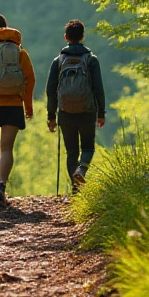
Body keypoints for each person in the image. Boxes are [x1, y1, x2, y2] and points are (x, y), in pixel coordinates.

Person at [0, 13, 35, 209]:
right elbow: (30, 79)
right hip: (13, 105)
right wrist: (28, 106)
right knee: (6, 148)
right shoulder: (20, 53)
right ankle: (2, 186)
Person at [46, 19, 106, 191]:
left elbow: (51, 91)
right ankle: (81, 170)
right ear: (82, 37)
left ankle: (75, 188)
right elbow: (98, 89)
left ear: (66, 37)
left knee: (72, 152)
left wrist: (51, 116)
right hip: (87, 111)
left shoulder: (58, 61)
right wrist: (101, 112)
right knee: (88, 147)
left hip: (65, 113)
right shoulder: (91, 60)